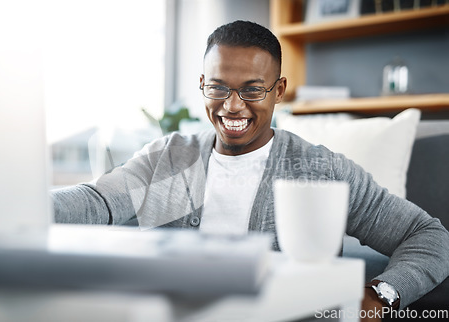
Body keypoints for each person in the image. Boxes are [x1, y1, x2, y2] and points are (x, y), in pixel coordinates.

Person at [52, 20, 449, 317]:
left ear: (278, 90)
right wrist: (16, 207)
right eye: (219, 87)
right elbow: (96, 202)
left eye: (252, 89)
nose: (233, 105)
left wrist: (378, 295)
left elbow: (430, 237)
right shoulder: (170, 158)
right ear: (203, 84)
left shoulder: (320, 170)